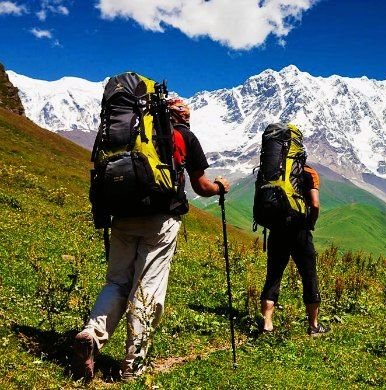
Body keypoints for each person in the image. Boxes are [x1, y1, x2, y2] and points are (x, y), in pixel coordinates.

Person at [72, 98, 231, 381]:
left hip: (122, 216)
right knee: (147, 290)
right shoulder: (182, 136)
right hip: (160, 220)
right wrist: (220, 187)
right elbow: (201, 185)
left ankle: (91, 335)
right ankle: (133, 366)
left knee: (117, 282)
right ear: (182, 116)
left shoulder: (130, 133)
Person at [259, 163, 328, 336]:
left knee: (273, 275)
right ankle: (313, 325)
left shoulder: (271, 169)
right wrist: (310, 223)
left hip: (277, 230)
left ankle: (267, 324)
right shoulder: (309, 172)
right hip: (300, 231)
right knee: (309, 276)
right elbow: (315, 204)